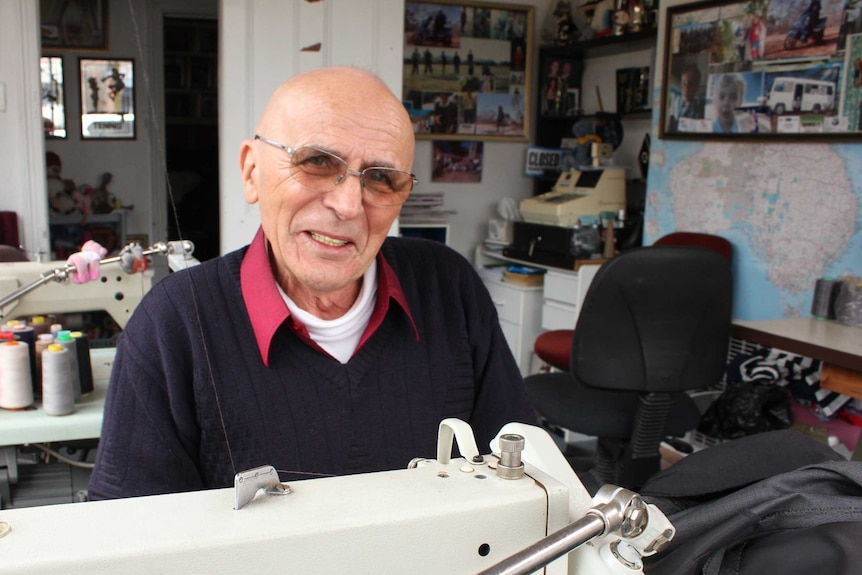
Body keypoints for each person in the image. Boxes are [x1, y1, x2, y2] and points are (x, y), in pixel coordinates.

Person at [87, 67, 535, 500]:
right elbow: (132, 535)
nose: (347, 205)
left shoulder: (448, 287)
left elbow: (526, 471)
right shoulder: (172, 325)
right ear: (251, 172)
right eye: (317, 161)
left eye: (381, 178)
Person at [666, 64, 705, 132]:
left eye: (690, 84)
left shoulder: (699, 108)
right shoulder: (679, 105)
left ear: (696, 87)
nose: (686, 88)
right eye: (684, 83)